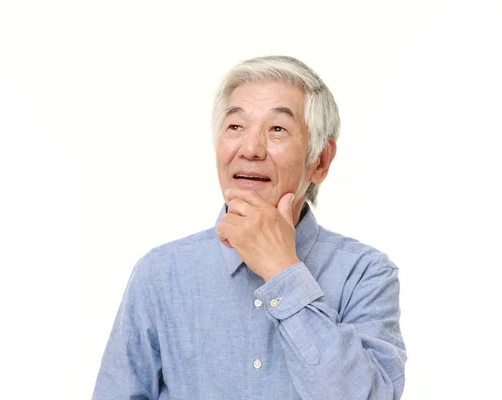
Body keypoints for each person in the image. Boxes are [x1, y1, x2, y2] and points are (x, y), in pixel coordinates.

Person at [92, 55, 406, 399]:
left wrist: (283, 271)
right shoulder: (161, 274)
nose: (251, 148)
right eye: (236, 127)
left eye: (277, 129)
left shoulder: (365, 274)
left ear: (320, 160)